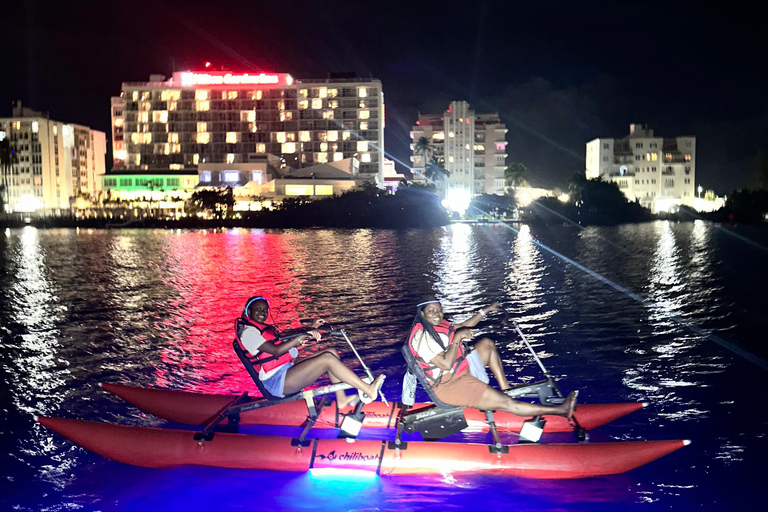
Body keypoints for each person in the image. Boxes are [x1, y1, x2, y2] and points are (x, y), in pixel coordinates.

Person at [407, 300, 577, 418]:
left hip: (461, 370)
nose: (437, 314)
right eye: (431, 311)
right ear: (422, 314)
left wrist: (486, 310)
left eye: (439, 309)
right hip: (450, 385)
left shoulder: (439, 324)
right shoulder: (422, 337)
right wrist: (458, 338)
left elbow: (467, 324)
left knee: (486, 344)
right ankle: (561, 411)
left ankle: (505, 387)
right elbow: (444, 365)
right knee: (507, 403)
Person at [236, 296, 384, 407]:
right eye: (258, 309)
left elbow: (289, 346)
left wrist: (311, 329)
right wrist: (304, 335)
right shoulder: (248, 334)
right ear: (249, 311)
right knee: (327, 360)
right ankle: (368, 389)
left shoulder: (259, 330)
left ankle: (341, 399)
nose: (262, 312)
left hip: (286, 370)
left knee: (331, 352)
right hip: (277, 382)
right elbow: (276, 351)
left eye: (264, 310)